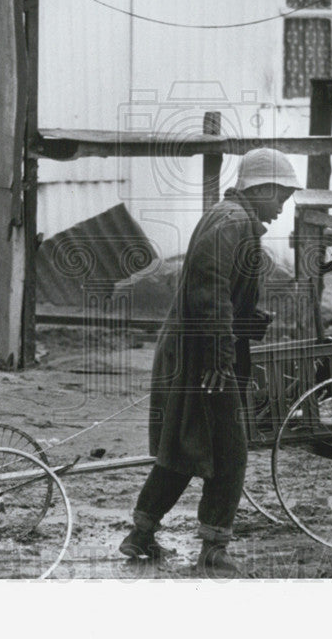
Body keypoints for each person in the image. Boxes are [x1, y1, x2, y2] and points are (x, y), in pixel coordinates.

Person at [119, 148, 301, 577]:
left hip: (195, 351)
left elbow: (217, 292)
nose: (281, 208)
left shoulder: (231, 220)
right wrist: (220, 358)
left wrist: (247, 320)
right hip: (203, 357)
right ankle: (214, 549)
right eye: (280, 198)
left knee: (185, 446)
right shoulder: (233, 223)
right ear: (263, 189)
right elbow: (208, 296)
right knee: (230, 453)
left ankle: (140, 534)